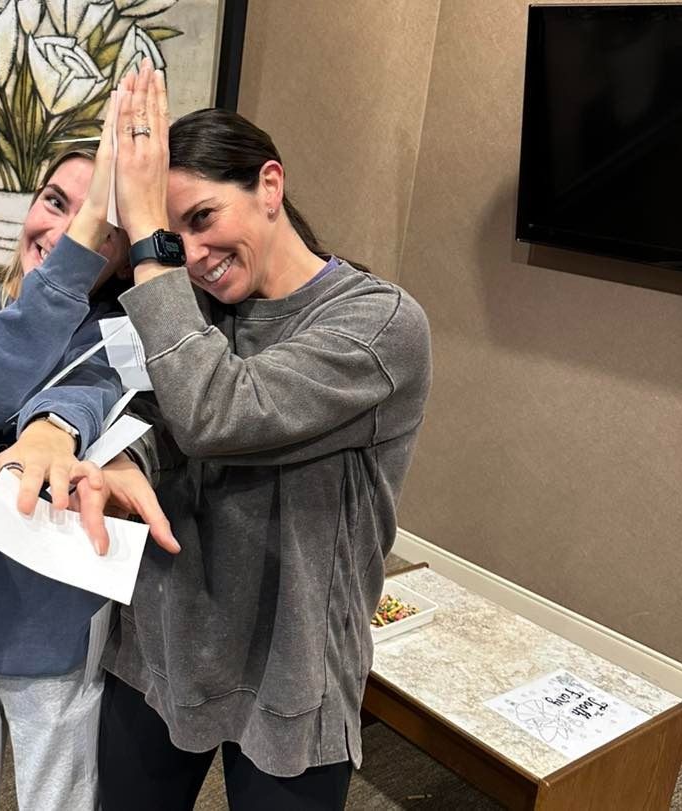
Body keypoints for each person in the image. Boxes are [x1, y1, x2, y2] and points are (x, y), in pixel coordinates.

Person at [86, 66, 432, 809]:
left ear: (269, 187)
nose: (191, 254)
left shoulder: (378, 329)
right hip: (161, 643)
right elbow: (156, 418)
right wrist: (116, 460)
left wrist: (148, 242)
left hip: (290, 670)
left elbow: (216, 413)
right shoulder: (189, 313)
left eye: (201, 218)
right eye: (171, 234)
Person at [0, 102, 174, 811]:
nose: (62, 231)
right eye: (55, 203)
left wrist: (57, 424)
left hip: (59, 626)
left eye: (95, 227)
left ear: (116, 253)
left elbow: (98, 392)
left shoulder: (121, 333)